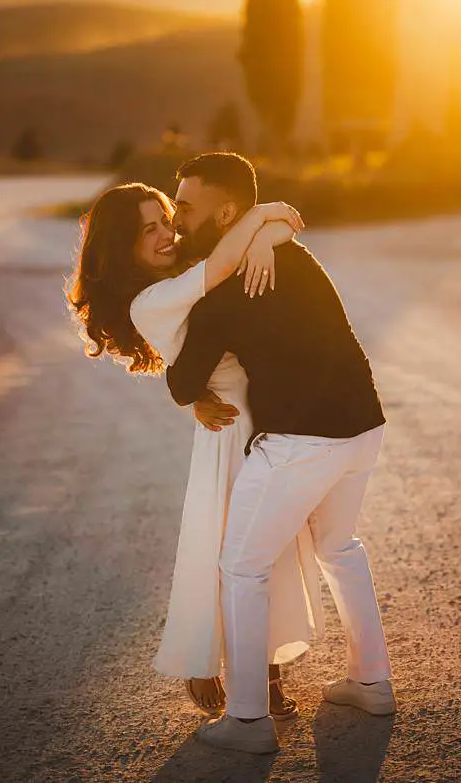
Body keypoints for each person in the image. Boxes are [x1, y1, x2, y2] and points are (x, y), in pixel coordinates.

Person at [161, 152, 395, 754]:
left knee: (241, 567)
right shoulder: (293, 254)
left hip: (300, 442)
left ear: (228, 212)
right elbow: (277, 224)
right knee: (339, 547)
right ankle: (371, 682)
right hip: (363, 427)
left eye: (185, 205)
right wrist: (269, 227)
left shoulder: (225, 291)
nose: (176, 216)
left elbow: (185, 382)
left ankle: (246, 720)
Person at [66, 181, 318, 718]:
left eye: (164, 219)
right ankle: (205, 658)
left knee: (267, 547)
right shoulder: (150, 300)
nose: (165, 234)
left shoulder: (192, 264)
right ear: (122, 248)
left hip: (266, 416)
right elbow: (233, 260)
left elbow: (262, 244)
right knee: (229, 551)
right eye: (147, 230)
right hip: (229, 430)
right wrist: (266, 211)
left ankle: (265, 667)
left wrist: (257, 236)